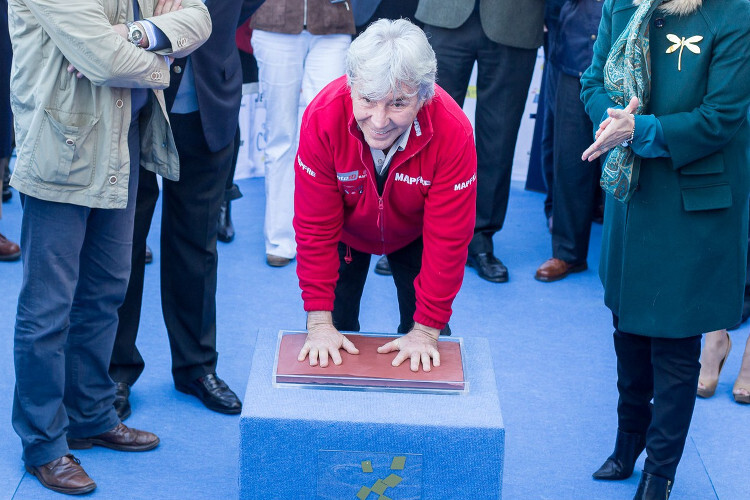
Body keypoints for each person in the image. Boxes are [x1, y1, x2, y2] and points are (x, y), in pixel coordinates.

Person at [9, 0, 211, 494]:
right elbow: (105, 61)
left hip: (122, 146)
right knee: (47, 310)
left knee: (104, 295)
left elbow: (199, 19)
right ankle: (44, 445)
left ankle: (91, 415)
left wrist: (136, 33)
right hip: (62, 152)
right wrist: (161, 58)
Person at [580, 0, 750, 498]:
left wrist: (640, 130)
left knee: (675, 343)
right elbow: (594, 82)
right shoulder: (622, 3)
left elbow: (722, 117)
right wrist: (611, 122)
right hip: (631, 197)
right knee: (627, 329)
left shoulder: (734, 11)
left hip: (692, 201)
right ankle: (627, 441)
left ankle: (661, 470)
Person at [294, 19, 476, 372]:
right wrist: (318, 323)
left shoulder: (453, 131)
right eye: (367, 100)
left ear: (425, 94)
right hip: (345, 233)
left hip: (416, 232)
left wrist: (425, 331)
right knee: (330, 337)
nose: (378, 121)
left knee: (426, 347)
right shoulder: (322, 118)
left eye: (397, 104)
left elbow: (449, 240)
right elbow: (314, 228)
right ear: (351, 85)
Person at [110, 0, 263, 419]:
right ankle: (115, 370)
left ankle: (197, 367)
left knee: (197, 243)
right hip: (132, 100)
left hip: (207, 99)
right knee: (123, 244)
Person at [416, 0, 544, 283]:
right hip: (444, 13)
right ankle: (414, 234)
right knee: (425, 130)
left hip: (515, 19)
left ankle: (481, 239)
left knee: (499, 136)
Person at [251, 0, 355, 268]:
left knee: (326, 136)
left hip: (333, 22)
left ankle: (324, 236)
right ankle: (279, 239)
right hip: (274, 20)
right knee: (280, 136)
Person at [534, 0, 603, 282]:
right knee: (572, 156)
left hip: (634, 56)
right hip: (575, 46)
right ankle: (568, 253)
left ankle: (635, 261)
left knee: (635, 158)